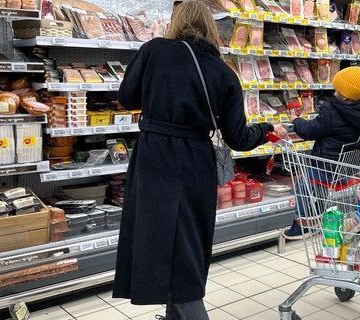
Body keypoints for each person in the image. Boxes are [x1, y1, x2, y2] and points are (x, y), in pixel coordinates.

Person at [111, 1, 287, 319]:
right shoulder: (224, 72)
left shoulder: (154, 50)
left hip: (154, 157)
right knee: (186, 247)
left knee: (157, 239)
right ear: (210, 26)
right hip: (195, 162)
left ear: (176, 21)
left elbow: (126, 98)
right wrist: (268, 129)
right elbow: (238, 138)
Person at [281, 66, 360, 240]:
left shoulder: (332, 112)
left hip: (325, 165)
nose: (334, 92)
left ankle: (300, 227)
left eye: (337, 89)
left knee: (304, 187)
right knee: (319, 188)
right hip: (347, 167)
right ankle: (316, 219)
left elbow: (309, 131)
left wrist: (297, 121)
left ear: (345, 96)